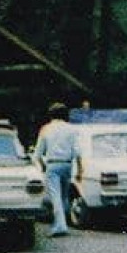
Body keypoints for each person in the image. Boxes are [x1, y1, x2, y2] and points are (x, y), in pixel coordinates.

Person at [34, 102, 77, 238]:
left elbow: (38, 153)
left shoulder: (46, 129)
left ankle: (60, 226)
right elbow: (78, 151)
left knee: (55, 196)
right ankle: (64, 221)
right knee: (64, 196)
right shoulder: (72, 129)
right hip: (68, 164)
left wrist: (42, 165)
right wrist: (80, 168)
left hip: (52, 164)